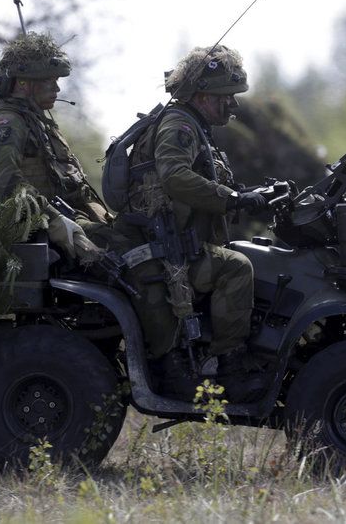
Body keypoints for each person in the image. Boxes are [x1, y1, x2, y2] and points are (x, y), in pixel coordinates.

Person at [115, 44, 269, 401]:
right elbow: (175, 177)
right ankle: (229, 367)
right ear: (201, 96)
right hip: (163, 248)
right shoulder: (180, 125)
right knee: (238, 269)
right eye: (225, 96)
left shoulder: (192, 124)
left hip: (180, 241)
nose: (232, 104)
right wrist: (231, 199)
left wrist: (250, 194)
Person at [0, 32, 106, 261]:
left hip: (70, 216)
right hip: (39, 226)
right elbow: (7, 184)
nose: (57, 89)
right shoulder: (7, 122)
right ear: (23, 83)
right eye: (49, 81)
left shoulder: (39, 123)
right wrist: (54, 221)